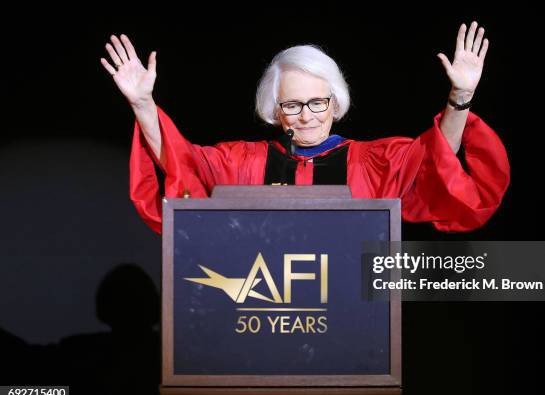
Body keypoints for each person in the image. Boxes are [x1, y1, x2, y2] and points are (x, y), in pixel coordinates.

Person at [101, 22, 510, 235]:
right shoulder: (243, 162)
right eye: (292, 104)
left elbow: (435, 158)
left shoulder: (374, 161)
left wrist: (459, 97)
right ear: (275, 110)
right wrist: (142, 103)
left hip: (353, 312)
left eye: (318, 102)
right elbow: (180, 161)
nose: (307, 115)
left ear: (335, 102)